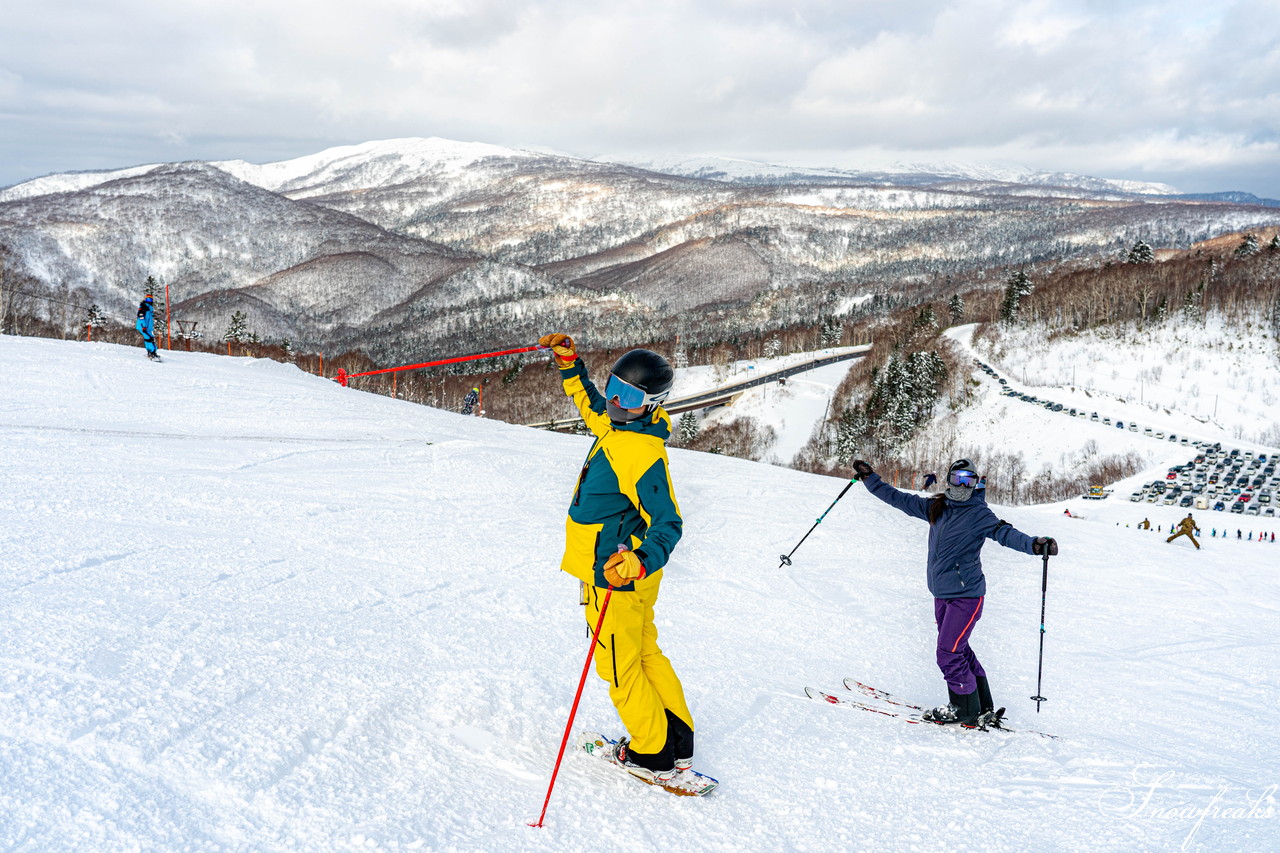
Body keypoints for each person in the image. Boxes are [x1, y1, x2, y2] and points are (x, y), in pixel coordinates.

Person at [539, 333, 694, 783]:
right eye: (614, 388)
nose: (614, 402)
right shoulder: (619, 424)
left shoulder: (641, 452)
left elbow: (669, 523)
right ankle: (676, 740)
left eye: (628, 397)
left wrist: (638, 561)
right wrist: (571, 363)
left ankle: (651, 753)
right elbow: (589, 402)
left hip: (616, 576)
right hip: (627, 576)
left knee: (617, 665)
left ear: (652, 403)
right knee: (645, 653)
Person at [851, 457, 1056, 728]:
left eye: (968, 480)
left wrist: (1033, 544)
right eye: (958, 478)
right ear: (949, 480)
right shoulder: (936, 507)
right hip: (941, 594)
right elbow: (897, 498)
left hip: (966, 596)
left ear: (975, 484)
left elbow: (1005, 533)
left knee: (948, 652)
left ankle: (963, 708)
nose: (962, 485)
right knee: (959, 649)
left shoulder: (979, 513)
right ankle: (981, 705)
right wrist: (870, 479)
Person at [135, 294, 159, 361]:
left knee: (150, 339)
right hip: (143, 327)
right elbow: (141, 317)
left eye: (150, 299)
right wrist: (144, 326)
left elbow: (149, 319)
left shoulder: (150, 307)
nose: (149, 301)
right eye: (147, 299)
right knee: (149, 339)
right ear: (145, 299)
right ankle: (151, 352)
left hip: (148, 328)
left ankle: (152, 352)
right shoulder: (143, 306)